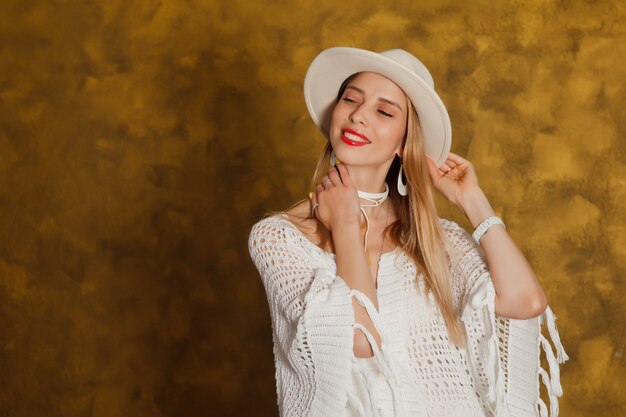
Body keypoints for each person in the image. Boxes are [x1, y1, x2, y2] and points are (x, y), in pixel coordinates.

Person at [248, 47, 568, 417]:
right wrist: (346, 225)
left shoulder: (437, 239)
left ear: (404, 142)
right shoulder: (279, 237)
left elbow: (525, 303)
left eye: (384, 111)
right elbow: (360, 340)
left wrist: (473, 200)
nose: (358, 115)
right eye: (350, 99)